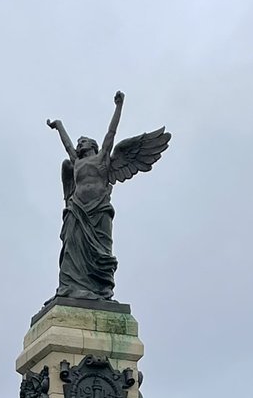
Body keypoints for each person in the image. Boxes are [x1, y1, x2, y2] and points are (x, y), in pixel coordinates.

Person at [46, 91, 170, 302]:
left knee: (100, 252)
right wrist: (59, 126)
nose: (79, 143)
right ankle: (70, 288)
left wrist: (119, 106)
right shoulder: (75, 162)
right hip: (77, 210)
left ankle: (102, 291)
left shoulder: (103, 158)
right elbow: (67, 144)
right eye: (79, 142)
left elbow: (111, 132)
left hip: (99, 210)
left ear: (92, 145)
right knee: (71, 251)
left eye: (83, 141)